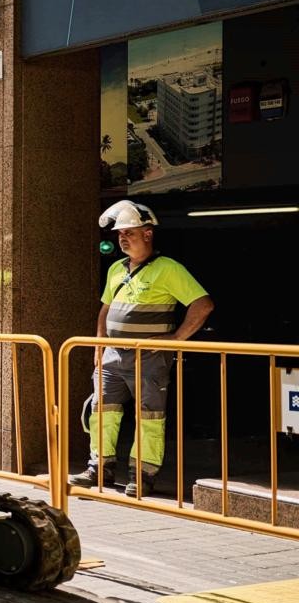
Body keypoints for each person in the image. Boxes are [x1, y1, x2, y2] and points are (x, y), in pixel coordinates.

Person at [70, 200, 212, 498]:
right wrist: (98, 345)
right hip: (111, 354)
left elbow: (203, 304)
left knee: (149, 417)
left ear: (148, 234)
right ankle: (99, 469)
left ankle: (142, 476)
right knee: (101, 411)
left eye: (129, 233)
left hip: (149, 358)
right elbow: (104, 310)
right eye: (120, 234)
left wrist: (176, 339)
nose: (122, 238)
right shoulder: (116, 270)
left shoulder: (168, 269)